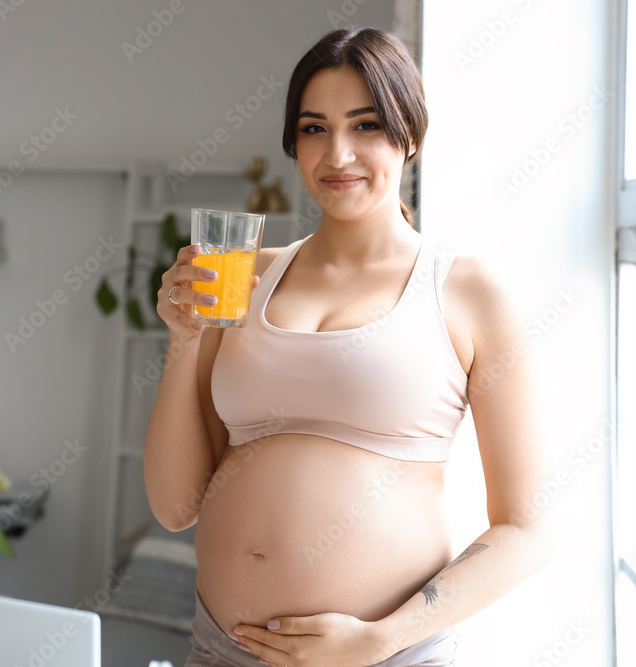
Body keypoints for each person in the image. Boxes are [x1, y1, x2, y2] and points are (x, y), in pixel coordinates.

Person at [144, 27, 552, 667]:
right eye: (314, 129)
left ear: (410, 136)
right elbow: (174, 507)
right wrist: (182, 342)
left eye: (365, 126)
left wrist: (377, 640)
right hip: (222, 650)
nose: (337, 154)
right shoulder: (246, 279)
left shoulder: (469, 291)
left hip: (384, 658)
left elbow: (528, 532)